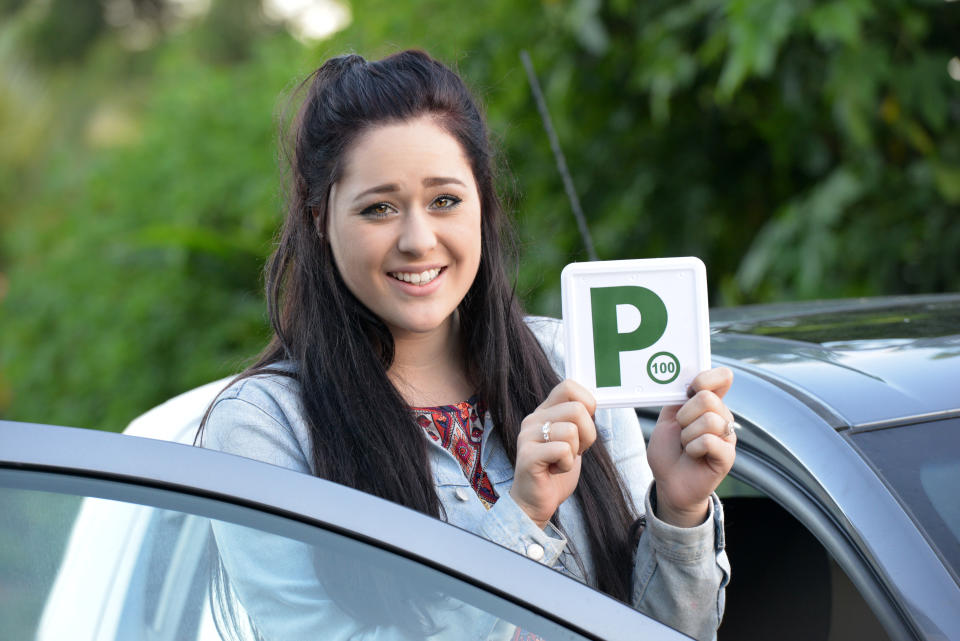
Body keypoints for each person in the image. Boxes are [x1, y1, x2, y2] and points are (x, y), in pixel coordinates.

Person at [199, 49, 735, 641]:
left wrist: (680, 512)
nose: (418, 239)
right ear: (320, 216)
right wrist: (521, 519)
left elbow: (666, 633)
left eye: (444, 200)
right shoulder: (265, 428)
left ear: (481, 202)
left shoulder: (566, 362)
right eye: (379, 208)